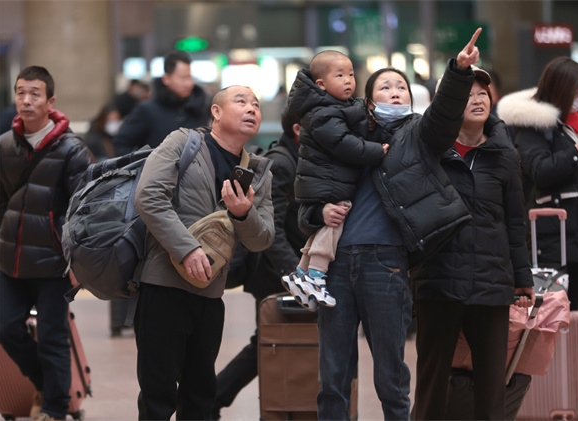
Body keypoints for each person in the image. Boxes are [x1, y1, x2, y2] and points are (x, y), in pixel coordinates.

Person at [295, 28, 482, 420]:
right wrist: (317, 213)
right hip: (335, 266)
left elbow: (446, 115)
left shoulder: (417, 135)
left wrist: (459, 72)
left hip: (386, 263)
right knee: (333, 376)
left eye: (402, 87)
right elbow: (307, 197)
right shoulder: (342, 136)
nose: (395, 92)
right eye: (385, 87)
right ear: (367, 100)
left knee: (391, 375)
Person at [132, 85, 275, 420]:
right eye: (241, 101)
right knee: (157, 395)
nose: (251, 108)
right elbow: (148, 197)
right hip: (163, 287)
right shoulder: (182, 143)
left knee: (200, 396)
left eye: (256, 104)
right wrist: (187, 249)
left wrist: (243, 214)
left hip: (210, 295)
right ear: (216, 112)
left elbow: (263, 239)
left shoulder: (258, 171)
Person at [410, 66, 535, 420]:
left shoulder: (504, 154)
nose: (478, 100)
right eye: (467, 95)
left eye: (483, 93)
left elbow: (514, 221)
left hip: (491, 282)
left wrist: (522, 278)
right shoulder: (429, 150)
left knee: (492, 386)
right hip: (439, 280)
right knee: (432, 382)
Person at [0, 66, 93, 421]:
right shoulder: (4, 146)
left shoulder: (72, 150)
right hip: (10, 259)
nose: (26, 100)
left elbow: (85, 211)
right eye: (20, 92)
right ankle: (43, 384)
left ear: (50, 101)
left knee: (53, 336)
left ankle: (54, 408)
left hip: (54, 262)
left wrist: (77, 262)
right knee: (5, 328)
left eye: (34, 93)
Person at [212, 106, 309, 419]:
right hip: (274, 271)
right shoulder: (282, 162)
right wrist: (296, 272)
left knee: (271, 341)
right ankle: (213, 400)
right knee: (268, 342)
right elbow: (272, 226)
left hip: (284, 268)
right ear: (298, 129)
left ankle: (215, 399)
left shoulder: (302, 158)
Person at [282, 50, 389, 310]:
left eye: (351, 74)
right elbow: (344, 144)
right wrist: (377, 151)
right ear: (321, 84)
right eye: (340, 75)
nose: (348, 80)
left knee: (324, 228)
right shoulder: (321, 112)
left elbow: (351, 116)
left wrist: (365, 109)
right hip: (326, 182)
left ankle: (301, 273)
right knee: (335, 220)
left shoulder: (333, 106)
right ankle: (316, 276)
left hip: (326, 179)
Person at [497, 56, 578, 311]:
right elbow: (540, 171)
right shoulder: (535, 125)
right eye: (576, 91)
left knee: (575, 313)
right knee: (552, 313)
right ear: (559, 89)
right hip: (553, 238)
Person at [112, 50, 210, 156]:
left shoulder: (199, 108)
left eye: (189, 77)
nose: (188, 83)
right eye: (182, 77)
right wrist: (145, 164)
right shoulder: (147, 110)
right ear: (166, 78)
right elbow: (121, 143)